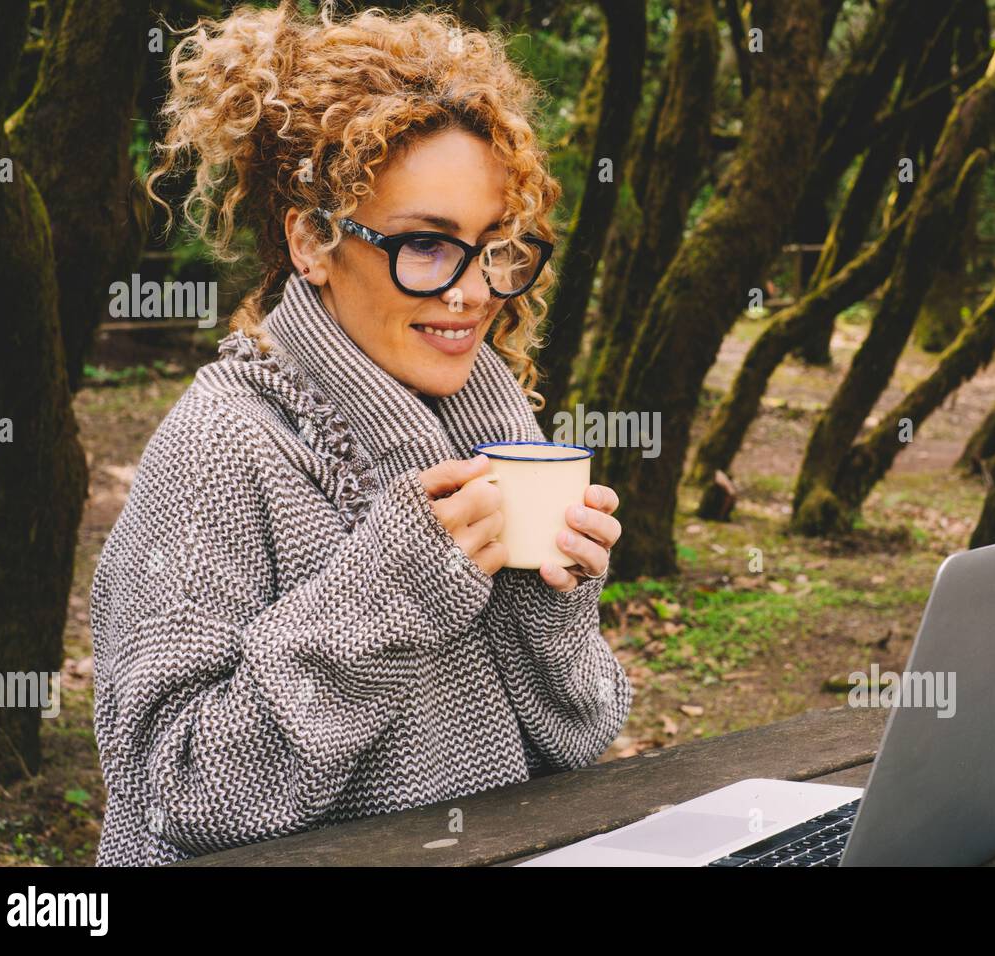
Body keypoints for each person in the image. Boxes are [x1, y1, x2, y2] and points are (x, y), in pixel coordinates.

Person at [89, 1, 631, 866]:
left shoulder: (492, 424)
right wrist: (395, 590)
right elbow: (176, 785)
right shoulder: (223, 447)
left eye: (497, 245)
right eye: (425, 244)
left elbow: (581, 737)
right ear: (312, 241)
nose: (472, 293)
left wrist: (551, 609)